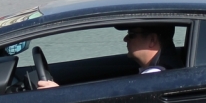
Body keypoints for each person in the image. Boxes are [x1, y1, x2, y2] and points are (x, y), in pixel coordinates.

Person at [36, 25, 175, 89]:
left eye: (132, 34)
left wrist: (58, 95)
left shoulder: (154, 79)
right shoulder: (159, 73)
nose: (125, 39)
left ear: (152, 40)